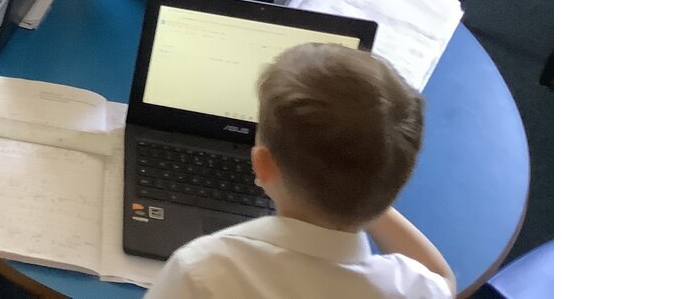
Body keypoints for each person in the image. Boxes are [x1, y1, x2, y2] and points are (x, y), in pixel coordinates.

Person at [145, 42, 456, 298]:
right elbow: (443, 281)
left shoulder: (202, 271)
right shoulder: (411, 290)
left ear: (262, 165)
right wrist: (366, 190)